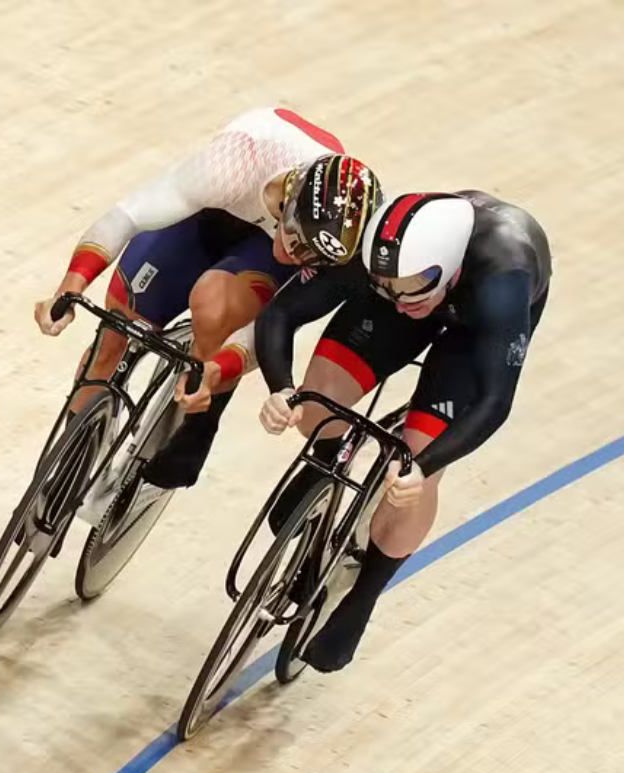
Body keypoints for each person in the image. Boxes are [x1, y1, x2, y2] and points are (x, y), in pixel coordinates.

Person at [31, 108, 382, 520]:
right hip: (210, 211)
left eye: (311, 256)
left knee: (215, 303)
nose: (296, 256)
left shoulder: (349, 240)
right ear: (286, 201)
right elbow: (128, 216)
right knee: (115, 331)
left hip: (255, 253)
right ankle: (75, 453)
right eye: (296, 241)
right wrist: (71, 285)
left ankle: (198, 423)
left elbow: (273, 325)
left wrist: (215, 372)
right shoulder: (233, 163)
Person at [256, 190, 551, 672]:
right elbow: (282, 313)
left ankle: (363, 598)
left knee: (413, 471)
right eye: (389, 284)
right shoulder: (381, 256)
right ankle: (324, 466)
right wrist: (281, 389)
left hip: (473, 327)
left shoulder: (504, 278)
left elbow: (495, 403)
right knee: (320, 401)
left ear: (446, 268)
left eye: (413, 287)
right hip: (410, 290)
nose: (403, 298)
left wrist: (425, 468)